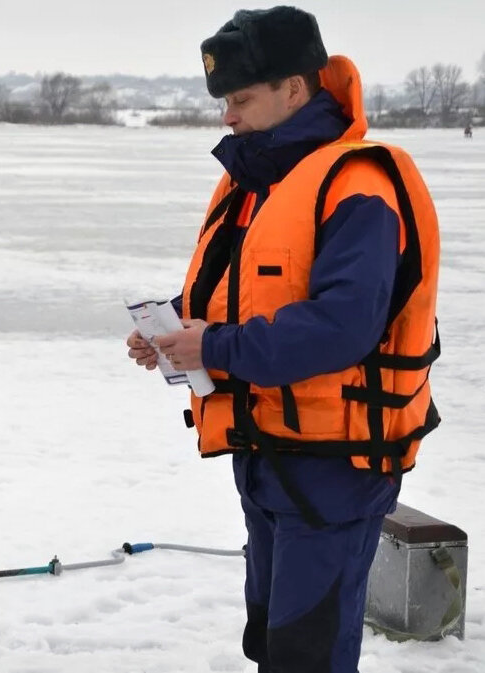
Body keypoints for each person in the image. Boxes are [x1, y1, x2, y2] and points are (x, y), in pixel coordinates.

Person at [125, 7, 440, 672]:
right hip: (267, 452)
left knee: (308, 651)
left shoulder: (359, 184)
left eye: (241, 98)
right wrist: (175, 329)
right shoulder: (254, 185)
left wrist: (215, 347)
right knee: (273, 639)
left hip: (335, 465)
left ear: (294, 89)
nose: (228, 117)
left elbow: (344, 326)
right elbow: (240, 295)